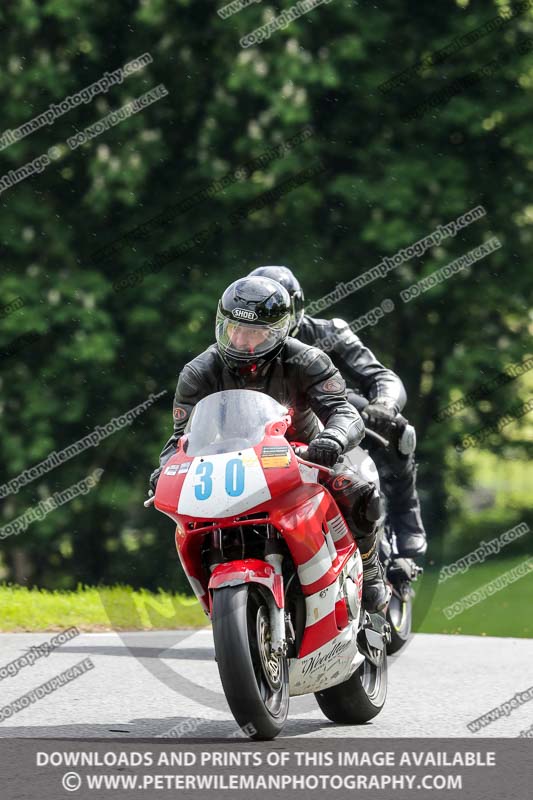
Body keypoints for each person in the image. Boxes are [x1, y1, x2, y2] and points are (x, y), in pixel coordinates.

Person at [149, 275, 391, 612]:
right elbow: (179, 437)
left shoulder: (307, 360)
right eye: (234, 329)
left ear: (277, 332)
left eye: (254, 332)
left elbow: (343, 411)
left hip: (306, 454)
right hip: (234, 463)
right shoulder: (198, 372)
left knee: (362, 492)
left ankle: (370, 566)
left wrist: (331, 439)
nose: (241, 340)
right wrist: (164, 469)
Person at [248, 265, 427, 559]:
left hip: (333, 415)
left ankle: (404, 516)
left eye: (276, 311)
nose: (266, 324)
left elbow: (381, 376)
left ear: (295, 308)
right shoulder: (238, 345)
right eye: (259, 315)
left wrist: (382, 404)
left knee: (397, 428)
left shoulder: (329, 333)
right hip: (265, 434)